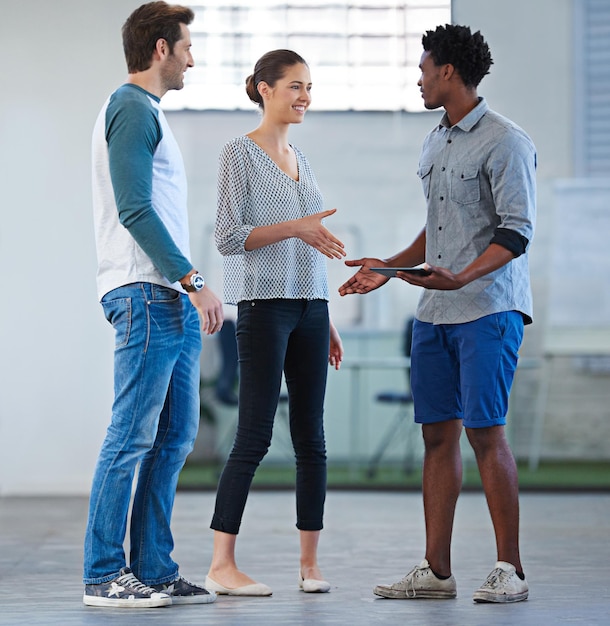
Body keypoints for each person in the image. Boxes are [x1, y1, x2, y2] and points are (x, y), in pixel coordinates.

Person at [339, 24, 536, 604]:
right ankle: (436, 570)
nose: (418, 79)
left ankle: (511, 569)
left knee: (485, 434)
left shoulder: (506, 140)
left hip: (488, 310)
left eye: (423, 69)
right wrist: (391, 268)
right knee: (435, 438)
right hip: (434, 315)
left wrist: (464, 277)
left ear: (447, 71)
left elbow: (515, 233)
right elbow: (441, 229)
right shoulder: (437, 141)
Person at [84, 1, 223, 609]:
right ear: (161, 48)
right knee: (131, 438)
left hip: (167, 296)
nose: (193, 55)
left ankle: (153, 568)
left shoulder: (150, 115)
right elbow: (135, 209)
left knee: (173, 439)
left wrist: (184, 290)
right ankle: (102, 574)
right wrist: (194, 282)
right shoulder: (130, 108)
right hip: (147, 293)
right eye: (187, 45)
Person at [205, 49, 345, 597]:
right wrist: (295, 228)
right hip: (263, 306)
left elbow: (313, 242)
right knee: (254, 436)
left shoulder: (302, 158)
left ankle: (310, 564)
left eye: (309, 86)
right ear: (265, 88)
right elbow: (228, 237)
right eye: (295, 86)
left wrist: (325, 312)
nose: (305, 96)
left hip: (312, 306)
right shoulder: (237, 154)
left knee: (313, 438)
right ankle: (222, 564)